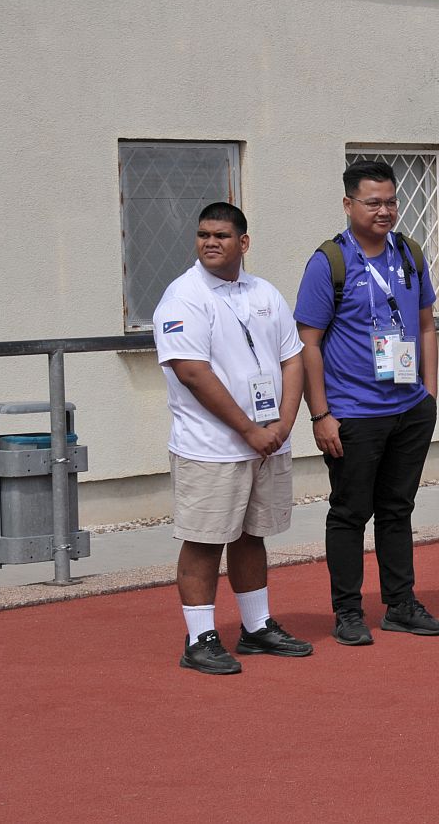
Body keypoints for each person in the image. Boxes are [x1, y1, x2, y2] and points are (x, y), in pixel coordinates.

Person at [153, 202, 312, 675]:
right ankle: (200, 638)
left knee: (252, 536)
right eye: (203, 235)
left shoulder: (264, 292)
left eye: (221, 235)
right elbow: (192, 372)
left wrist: (283, 425)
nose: (210, 243)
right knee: (204, 541)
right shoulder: (182, 297)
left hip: (268, 442)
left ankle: (256, 627)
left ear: (243, 243)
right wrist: (248, 430)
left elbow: (293, 358)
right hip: (212, 447)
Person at [294, 160, 439, 646]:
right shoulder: (328, 263)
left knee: (398, 509)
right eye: (373, 202)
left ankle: (400, 604)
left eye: (391, 202)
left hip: (408, 410)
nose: (385, 211)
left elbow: (425, 325)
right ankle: (348, 611)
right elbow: (308, 344)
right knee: (349, 512)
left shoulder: (409, 253)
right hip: (354, 414)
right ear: (348, 205)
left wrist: (430, 395)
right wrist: (320, 415)